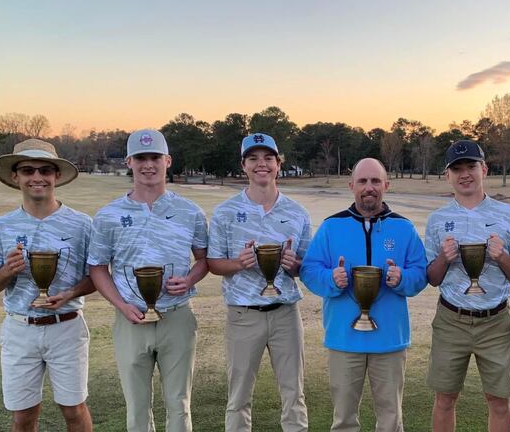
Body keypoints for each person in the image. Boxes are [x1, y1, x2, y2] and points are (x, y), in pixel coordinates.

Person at [87, 128, 209, 432]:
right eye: (141, 158)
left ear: (167, 160)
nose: (148, 164)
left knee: (179, 403)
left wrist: (190, 278)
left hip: (177, 316)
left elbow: (204, 259)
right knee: (137, 408)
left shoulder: (189, 211)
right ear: (129, 161)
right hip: (130, 320)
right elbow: (98, 267)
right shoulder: (109, 214)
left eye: (155, 157)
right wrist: (121, 304)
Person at [300, 158, 427, 432]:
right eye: (362, 181)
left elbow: (421, 273)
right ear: (351, 186)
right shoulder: (331, 227)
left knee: (391, 420)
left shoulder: (403, 228)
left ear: (386, 185)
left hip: (390, 340)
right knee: (344, 420)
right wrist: (331, 279)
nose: (369, 187)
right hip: (344, 340)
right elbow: (309, 271)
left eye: (375, 181)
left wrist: (403, 278)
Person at [0, 139, 94, 432]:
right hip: (20, 329)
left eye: (45, 170)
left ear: (56, 176)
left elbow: (99, 276)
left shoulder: (82, 225)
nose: (37, 177)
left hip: (66, 326)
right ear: (16, 177)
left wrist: (71, 293)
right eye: (28, 170)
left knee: (74, 410)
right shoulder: (1, 227)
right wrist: (7, 271)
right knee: (23, 415)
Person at [424, 140, 510, 432]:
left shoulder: (508, 216)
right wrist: (444, 260)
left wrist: (502, 257)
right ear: (448, 175)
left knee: (498, 400)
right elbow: (432, 278)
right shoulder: (438, 220)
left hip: (494, 321)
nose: (464, 174)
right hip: (451, 320)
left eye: (470, 166)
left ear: (484, 168)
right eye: (456, 169)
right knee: (445, 398)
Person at [208, 133, 311, 432]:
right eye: (253, 158)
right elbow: (214, 263)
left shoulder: (297, 212)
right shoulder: (226, 212)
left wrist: (295, 266)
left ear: (279, 164)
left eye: (268, 158)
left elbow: (307, 266)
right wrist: (239, 264)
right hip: (243, 314)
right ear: (243, 165)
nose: (261, 164)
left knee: (294, 394)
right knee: (238, 397)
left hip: (285, 314)